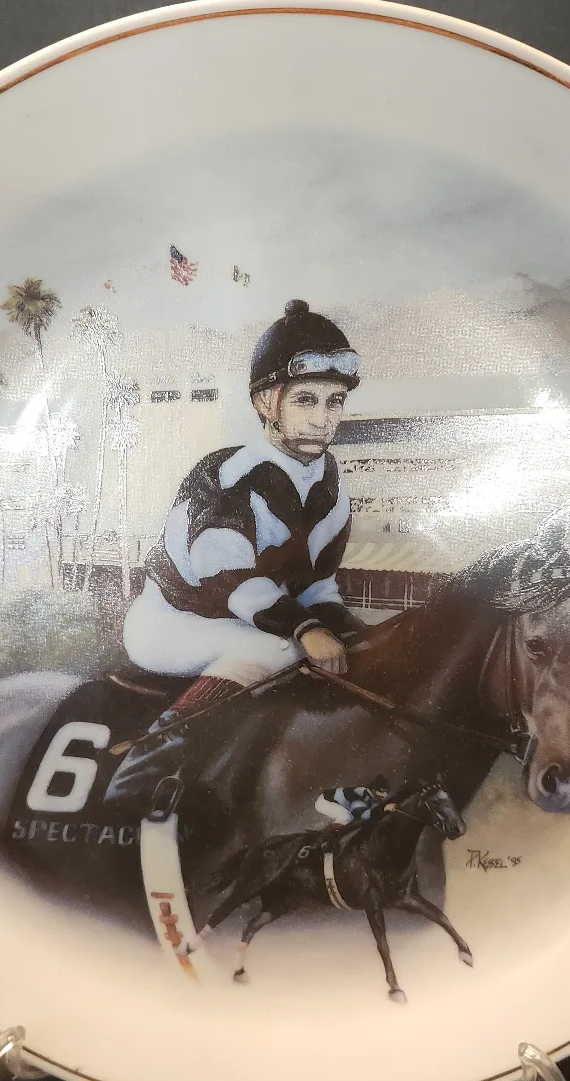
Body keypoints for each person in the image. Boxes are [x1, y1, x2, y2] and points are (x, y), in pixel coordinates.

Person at [107, 299, 366, 814]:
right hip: (175, 621)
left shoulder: (332, 486)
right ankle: (143, 768)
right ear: (267, 402)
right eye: (306, 400)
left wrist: (352, 631)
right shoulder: (225, 475)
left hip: (252, 622)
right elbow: (235, 583)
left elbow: (317, 586)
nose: (323, 419)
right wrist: (306, 629)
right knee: (282, 650)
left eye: (335, 401)